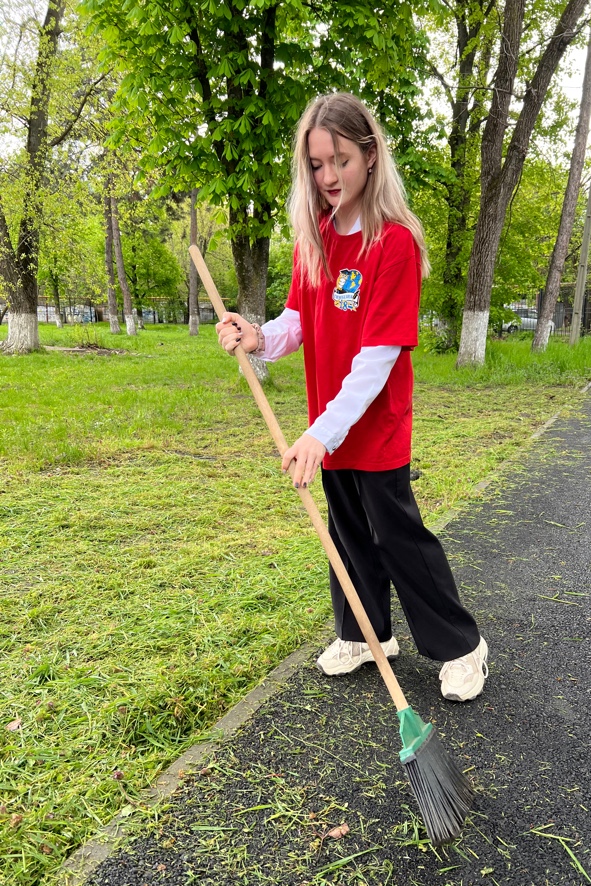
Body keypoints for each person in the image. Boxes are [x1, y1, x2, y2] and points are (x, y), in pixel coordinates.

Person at [216, 93, 488, 702]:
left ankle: (461, 646)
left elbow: (376, 360)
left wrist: (321, 432)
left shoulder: (393, 243)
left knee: (397, 537)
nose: (328, 176)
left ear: (369, 155)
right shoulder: (314, 238)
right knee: (345, 533)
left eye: (339, 159)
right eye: (316, 164)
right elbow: (299, 319)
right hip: (329, 428)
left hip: (373, 427)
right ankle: (365, 636)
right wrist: (257, 336)